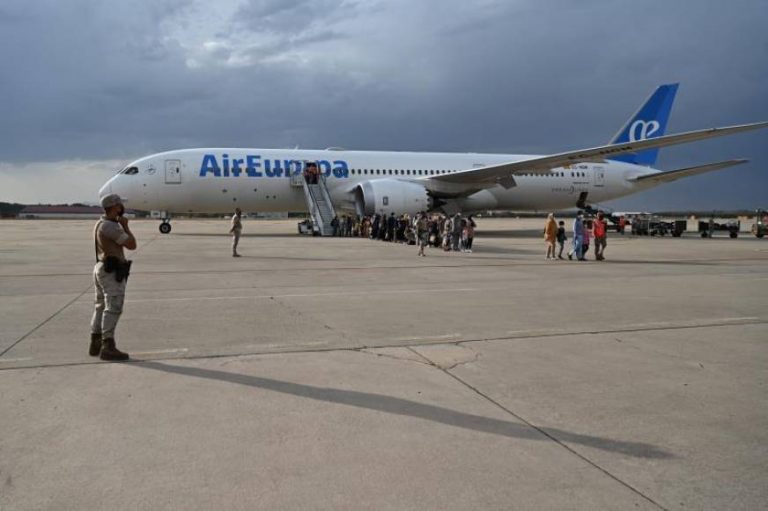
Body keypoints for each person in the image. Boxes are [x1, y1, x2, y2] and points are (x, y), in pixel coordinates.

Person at [90, 194, 136, 361]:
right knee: (113, 306)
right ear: (114, 207)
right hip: (110, 272)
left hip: (100, 268)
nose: (121, 207)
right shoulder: (110, 226)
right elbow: (131, 244)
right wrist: (126, 227)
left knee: (100, 306)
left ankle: (95, 341)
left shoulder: (100, 223)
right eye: (119, 205)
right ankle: (107, 345)